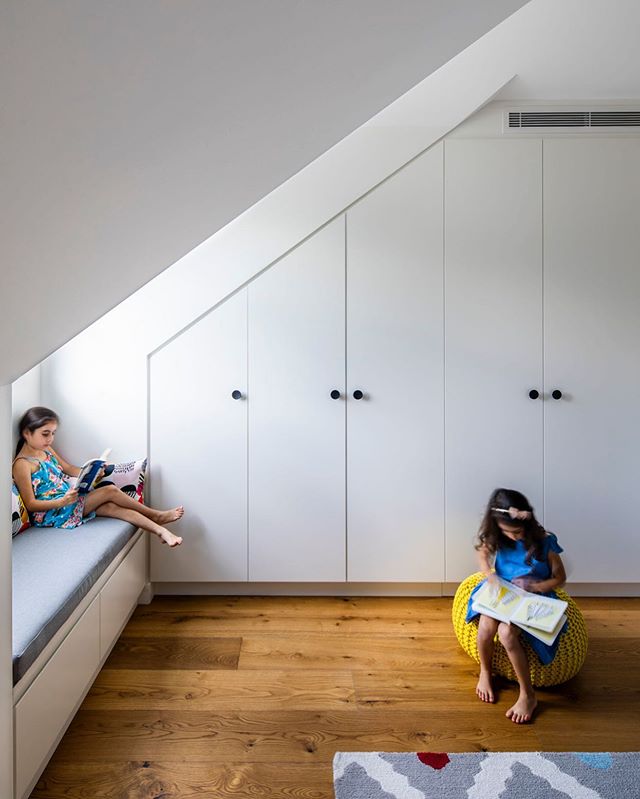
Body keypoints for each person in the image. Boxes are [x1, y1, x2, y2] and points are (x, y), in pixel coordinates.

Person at [12, 406, 184, 547]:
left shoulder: (46, 450)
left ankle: (161, 531)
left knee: (112, 507)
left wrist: (91, 472)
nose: (50, 438)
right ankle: (156, 515)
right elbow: (31, 504)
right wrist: (61, 502)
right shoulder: (22, 464)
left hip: (69, 501)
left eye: (53, 433)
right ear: (27, 433)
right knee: (109, 490)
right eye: (45, 433)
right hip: (53, 512)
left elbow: (68, 468)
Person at [466, 487, 566, 724]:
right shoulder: (499, 536)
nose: (516, 537)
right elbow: (482, 555)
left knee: (506, 633)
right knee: (487, 626)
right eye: (509, 533)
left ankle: (528, 695)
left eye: (519, 531)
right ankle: (486, 671)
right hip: (505, 593)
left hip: (533, 596)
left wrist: (537, 586)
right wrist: (489, 575)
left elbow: (560, 578)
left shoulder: (544, 541)